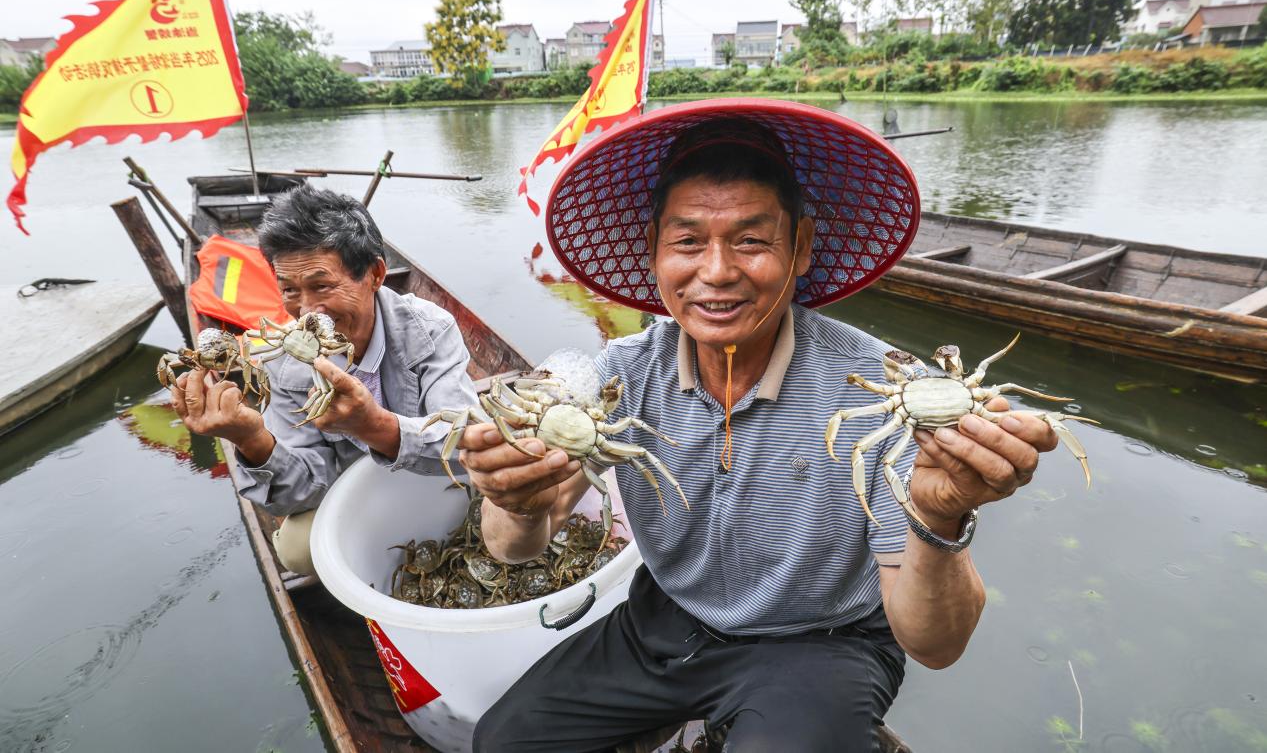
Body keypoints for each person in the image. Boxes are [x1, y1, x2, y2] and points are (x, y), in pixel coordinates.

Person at [462, 102, 1064, 752]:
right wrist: (512, 497)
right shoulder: (620, 378)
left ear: (800, 246)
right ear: (653, 251)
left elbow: (935, 645)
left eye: (750, 240)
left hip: (820, 642)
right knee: (504, 742)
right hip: (666, 619)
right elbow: (513, 547)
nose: (716, 271)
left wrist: (938, 514)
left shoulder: (888, 390)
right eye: (688, 241)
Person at [171, 185, 477, 576]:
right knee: (298, 550)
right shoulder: (280, 358)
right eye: (289, 290)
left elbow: (467, 444)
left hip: (433, 475)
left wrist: (375, 426)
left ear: (376, 274)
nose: (307, 311)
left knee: (495, 487)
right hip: (356, 493)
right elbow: (305, 491)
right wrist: (251, 439)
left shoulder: (430, 329)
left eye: (322, 286)